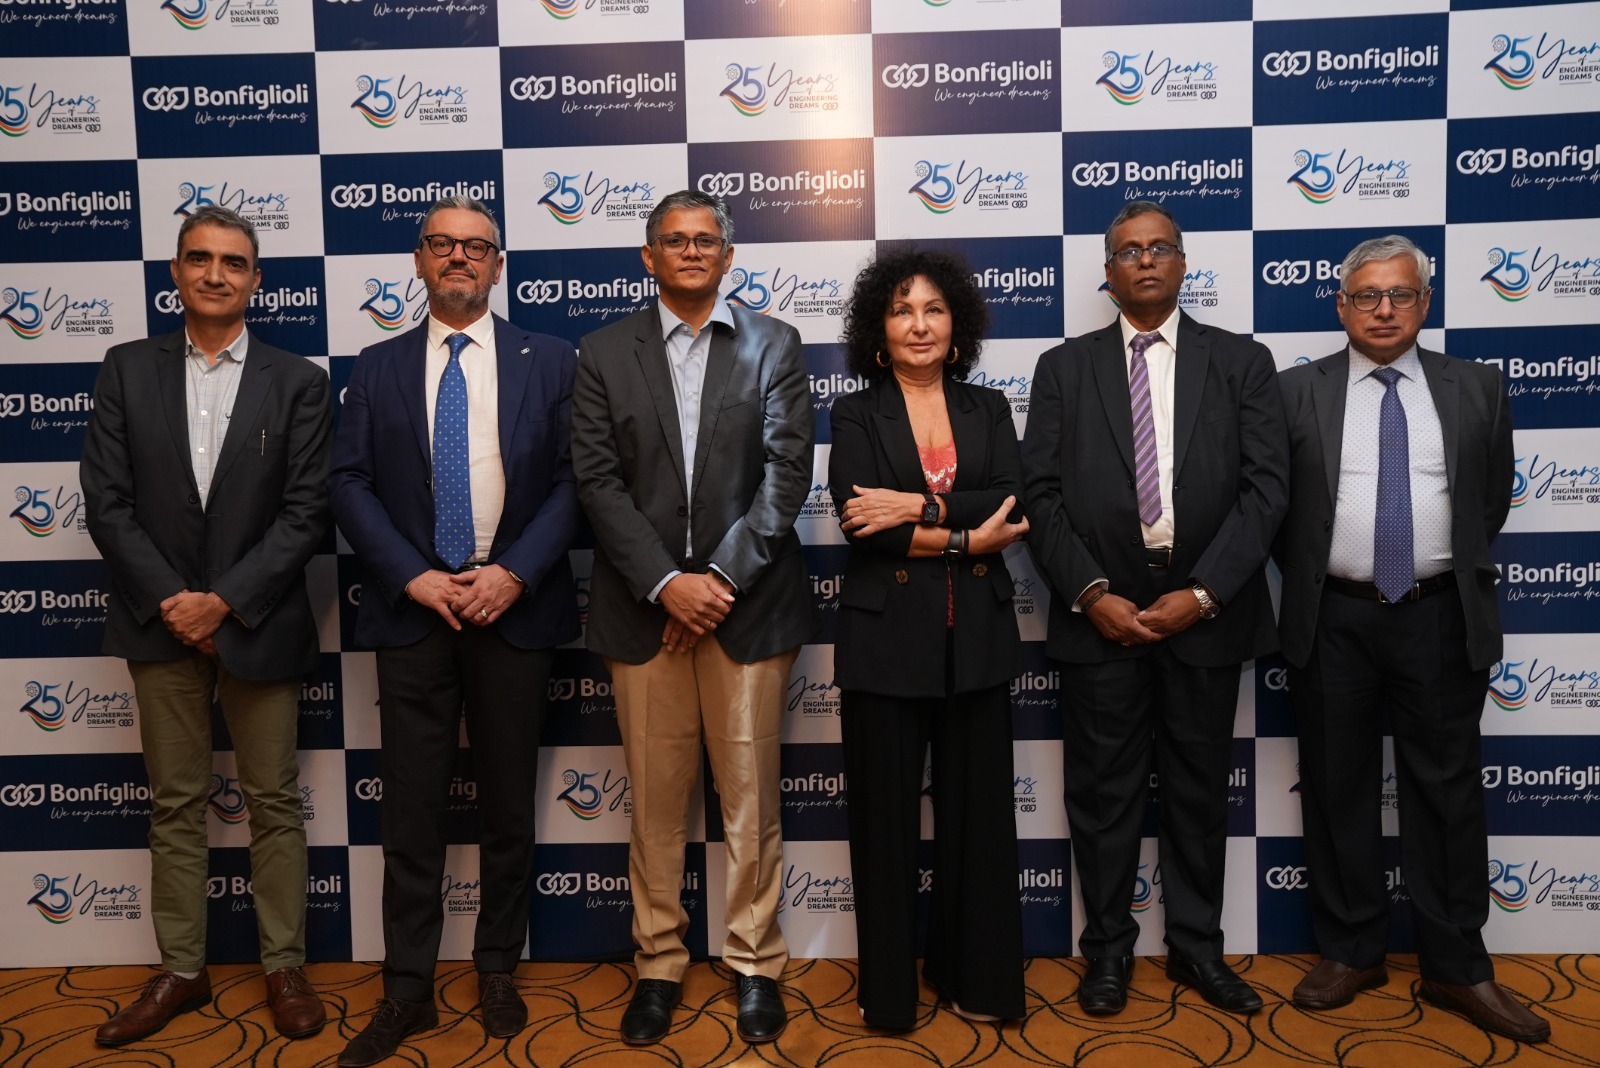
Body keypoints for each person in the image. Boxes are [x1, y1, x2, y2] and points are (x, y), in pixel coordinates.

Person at [328, 196, 581, 1067]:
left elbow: (576, 482)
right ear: (419, 260)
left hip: (515, 609)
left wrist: (513, 573)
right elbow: (349, 484)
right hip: (415, 613)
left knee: (509, 808)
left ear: (499, 265)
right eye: (442, 244)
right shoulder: (378, 365)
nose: (459, 257)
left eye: (476, 246)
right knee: (412, 812)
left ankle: (498, 968)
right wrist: (414, 574)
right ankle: (406, 988)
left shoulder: (551, 359)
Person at [1274, 235, 1545, 1042]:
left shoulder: (1478, 387)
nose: (1384, 309)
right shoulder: (1295, 391)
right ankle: (1351, 949)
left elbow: (1488, 503)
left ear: (1425, 302)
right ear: (1342, 305)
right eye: (1367, 295)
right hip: (1333, 617)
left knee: (1448, 793)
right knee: (1337, 786)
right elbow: (1277, 511)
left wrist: (1431, 573)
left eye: (1400, 294)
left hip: (1438, 614)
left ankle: (1457, 965)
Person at [1021, 201, 1288, 1016]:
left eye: (1158, 247)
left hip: (1205, 609)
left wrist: (1203, 595)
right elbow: (1040, 495)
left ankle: (1197, 949)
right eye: (1128, 251)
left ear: (1182, 264)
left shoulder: (1242, 362)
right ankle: (1107, 952)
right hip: (1099, 615)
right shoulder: (1063, 368)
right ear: (1108, 273)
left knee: (1199, 793)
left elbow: (1266, 491)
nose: (1144, 260)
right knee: (1103, 797)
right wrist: (1091, 593)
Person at [571, 189, 817, 1046]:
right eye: (673, 240)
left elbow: (787, 476)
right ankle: (659, 963)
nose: (690, 250)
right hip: (643, 614)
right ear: (649, 257)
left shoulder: (775, 343)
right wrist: (666, 585)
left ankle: (754, 962)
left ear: (727, 255)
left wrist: (714, 581)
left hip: (748, 610)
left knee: (750, 801)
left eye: (705, 239)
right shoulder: (603, 352)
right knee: (655, 805)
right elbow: (596, 481)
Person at [80, 205, 331, 1046]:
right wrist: (174, 601)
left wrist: (222, 600)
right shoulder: (125, 368)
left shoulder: (298, 381)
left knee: (273, 802)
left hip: (258, 621)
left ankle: (284, 965)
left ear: (256, 279)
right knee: (176, 803)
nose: (215, 274)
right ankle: (182, 971)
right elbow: (107, 503)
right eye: (200, 259)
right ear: (176, 272)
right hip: (158, 623)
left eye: (233, 262)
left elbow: (306, 512)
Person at [828, 248, 1031, 1030]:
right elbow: (864, 526)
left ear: (957, 326)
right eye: (902, 310)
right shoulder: (855, 413)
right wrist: (967, 539)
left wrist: (919, 506)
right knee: (883, 830)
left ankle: (975, 980)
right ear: (878, 329)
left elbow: (1010, 501)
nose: (919, 324)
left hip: (975, 641)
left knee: (980, 826)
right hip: (885, 645)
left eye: (935, 309)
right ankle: (889, 997)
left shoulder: (988, 408)